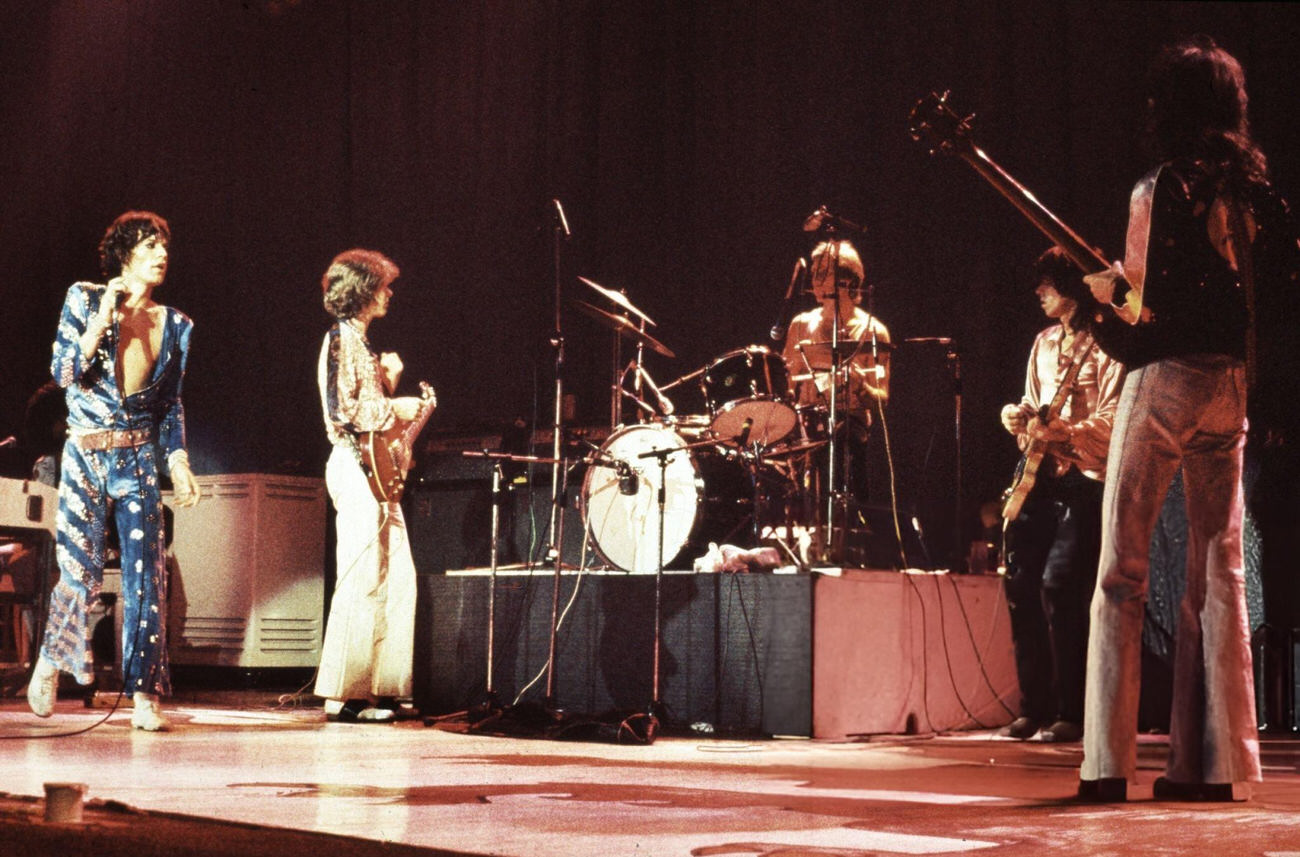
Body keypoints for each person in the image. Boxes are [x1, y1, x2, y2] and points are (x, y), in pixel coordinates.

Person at [1079, 37, 1298, 802]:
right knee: (1220, 573)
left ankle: (1106, 763)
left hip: (1164, 381)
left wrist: (1087, 305)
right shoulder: (1263, 197)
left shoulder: (1160, 188)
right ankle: (1215, 764)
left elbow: (1143, 324)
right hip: (1233, 389)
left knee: (1121, 571)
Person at [26, 211, 201, 731]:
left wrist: (179, 459)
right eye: (149, 246)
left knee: (147, 574)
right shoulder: (82, 297)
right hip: (84, 452)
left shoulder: (177, 325)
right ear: (124, 254)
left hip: (138, 456)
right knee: (77, 570)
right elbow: (62, 372)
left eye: (164, 246)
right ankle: (51, 663)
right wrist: (102, 318)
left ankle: (145, 695)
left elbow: (170, 404)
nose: (161, 255)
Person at [997, 247, 1123, 744]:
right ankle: (1033, 707)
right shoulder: (1044, 343)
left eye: (1047, 281)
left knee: (1063, 589)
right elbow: (1033, 404)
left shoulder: (1109, 341)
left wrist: (1067, 434)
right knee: (1020, 585)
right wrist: (1016, 417)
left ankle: (1073, 709)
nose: (1038, 291)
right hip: (1039, 476)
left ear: (1071, 285)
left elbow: (1115, 418)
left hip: (1085, 479)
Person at [316, 249, 430, 723]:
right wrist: (393, 408)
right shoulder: (340, 340)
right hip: (352, 465)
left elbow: (369, 414)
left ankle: (383, 689)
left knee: (396, 576)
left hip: (374, 470)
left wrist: (388, 384)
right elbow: (342, 413)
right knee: (362, 575)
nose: (389, 293)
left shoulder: (362, 346)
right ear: (362, 289)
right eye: (383, 285)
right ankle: (344, 694)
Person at [781, 238, 891, 505]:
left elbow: (882, 400)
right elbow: (786, 386)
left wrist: (861, 386)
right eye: (815, 274)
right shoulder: (800, 325)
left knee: (841, 439)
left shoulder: (873, 330)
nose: (816, 282)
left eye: (824, 274)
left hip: (848, 425)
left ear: (848, 281)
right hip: (805, 425)